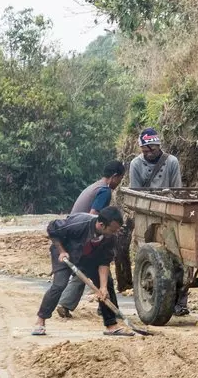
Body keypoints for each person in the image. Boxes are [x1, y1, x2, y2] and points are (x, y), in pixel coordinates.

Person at [32, 207, 131, 337]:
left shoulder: (110, 237)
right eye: (112, 230)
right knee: (59, 285)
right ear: (101, 225)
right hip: (65, 254)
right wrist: (62, 251)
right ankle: (40, 321)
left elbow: (104, 261)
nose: (115, 233)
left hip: (88, 257)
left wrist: (102, 287)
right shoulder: (79, 223)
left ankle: (111, 325)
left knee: (107, 286)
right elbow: (53, 229)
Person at [54, 161, 127, 320]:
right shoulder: (105, 191)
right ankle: (108, 309)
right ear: (114, 177)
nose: (119, 183)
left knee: (89, 270)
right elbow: (94, 214)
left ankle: (106, 308)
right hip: (80, 236)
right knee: (92, 268)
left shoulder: (96, 186)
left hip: (73, 233)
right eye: (120, 179)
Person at [128, 128, 188, 310]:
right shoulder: (136, 164)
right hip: (147, 215)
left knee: (178, 259)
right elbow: (137, 193)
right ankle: (155, 301)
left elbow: (176, 189)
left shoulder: (171, 162)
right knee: (151, 258)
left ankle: (181, 303)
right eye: (144, 151)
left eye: (151, 150)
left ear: (158, 146)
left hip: (169, 213)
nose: (148, 154)